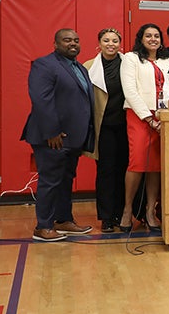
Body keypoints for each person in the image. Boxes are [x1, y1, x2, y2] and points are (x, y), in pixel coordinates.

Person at [23, 29, 95, 241]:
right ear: (55, 44)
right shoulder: (44, 64)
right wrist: (52, 131)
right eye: (66, 40)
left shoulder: (80, 68)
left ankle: (63, 220)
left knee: (65, 180)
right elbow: (41, 99)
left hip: (73, 138)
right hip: (52, 137)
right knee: (50, 181)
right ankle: (42, 226)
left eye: (75, 40)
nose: (72, 44)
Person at [120, 23, 169, 233]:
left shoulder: (167, 61)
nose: (153, 39)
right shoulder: (131, 58)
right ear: (141, 39)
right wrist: (149, 119)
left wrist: (162, 116)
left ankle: (151, 211)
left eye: (157, 36)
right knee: (138, 162)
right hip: (139, 115)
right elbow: (130, 91)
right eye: (148, 36)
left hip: (163, 116)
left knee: (157, 165)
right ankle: (127, 209)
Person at [83, 28, 128, 233]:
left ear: (120, 43)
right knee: (106, 171)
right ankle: (107, 217)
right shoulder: (89, 67)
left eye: (115, 40)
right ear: (99, 43)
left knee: (125, 171)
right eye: (106, 40)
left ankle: (122, 213)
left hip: (127, 126)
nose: (111, 44)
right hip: (104, 127)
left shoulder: (129, 63)